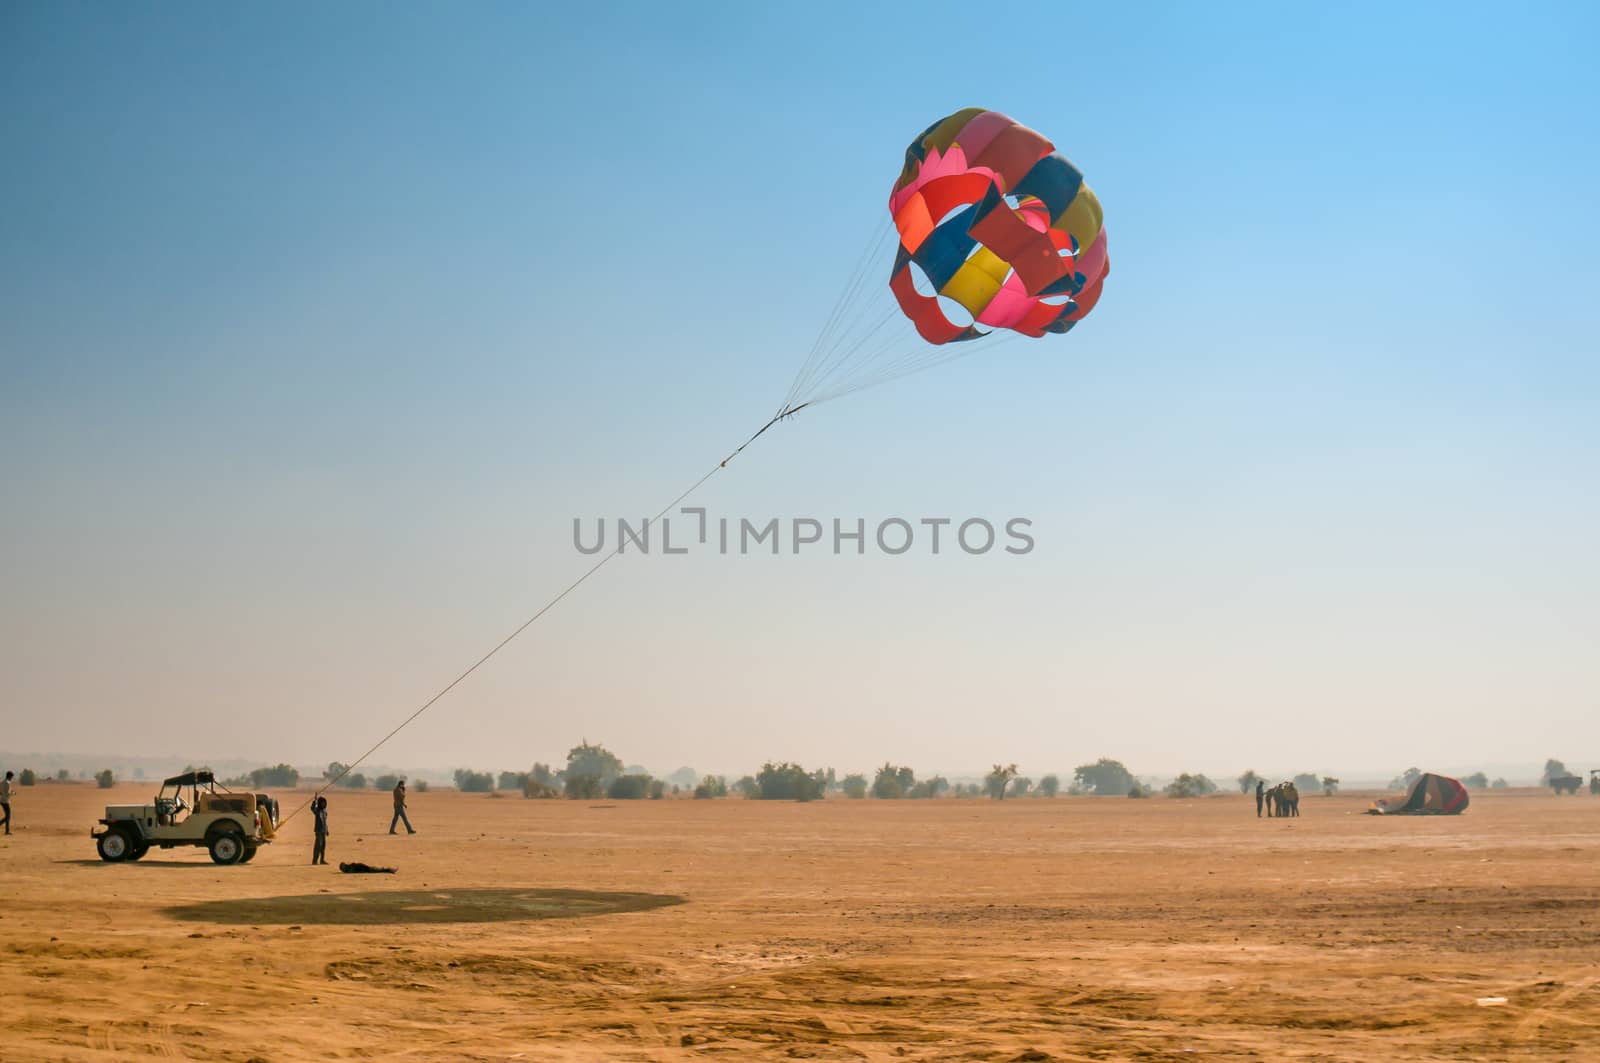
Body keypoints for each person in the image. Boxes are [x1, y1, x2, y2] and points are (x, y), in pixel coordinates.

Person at [311, 795, 330, 865]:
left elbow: (325, 822)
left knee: (323, 846)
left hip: (323, 831)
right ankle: (314, 861)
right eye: (322, 803)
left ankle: (322, 860)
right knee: (318, 846)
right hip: (318, 831)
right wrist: (315, 801)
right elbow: (312, 808)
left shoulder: (324, 812)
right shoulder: (317, 811)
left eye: (324, 803)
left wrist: (327, 830)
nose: (323, 804)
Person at [1, 770, 13, 835]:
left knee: (7, 816)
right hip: (6, 801)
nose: (11, 778)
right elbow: (8, 793)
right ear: (9, 776)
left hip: (1, 800)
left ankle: (7, 831)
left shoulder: (2, 782)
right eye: (11, 777)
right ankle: (7, 831)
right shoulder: (8, 783)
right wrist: (13, 793)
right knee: (8, 816)